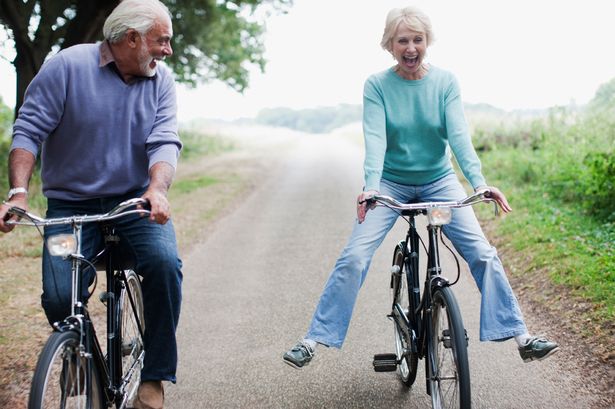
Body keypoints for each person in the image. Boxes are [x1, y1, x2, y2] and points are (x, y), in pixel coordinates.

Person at [283, 6, 558, 369]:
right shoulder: (377, 85)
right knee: (354, 257)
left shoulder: (445, 82)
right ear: (389, 45)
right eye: (402, 41)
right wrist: (370, 187)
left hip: (438, 184)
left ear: (427, 42)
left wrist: (479, 184)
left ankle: (522, 337)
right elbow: (376, 140)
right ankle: (313, 340)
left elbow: (459, 138)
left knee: (483, 253)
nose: (411, 48)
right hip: (390, 185)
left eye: (418, 40)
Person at [0, 0, 182, 407]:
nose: (167, 50)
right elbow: (28, 131)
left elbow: (164, 142)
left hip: (135, 204)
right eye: (161, 40)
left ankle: (153, 376)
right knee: (58, 295)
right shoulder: (67, 67)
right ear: (132, 38)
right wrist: (17, 193)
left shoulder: (162, 81)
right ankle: (77, 353)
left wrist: (157, 189)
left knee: (164, 265)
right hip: (70, 210)